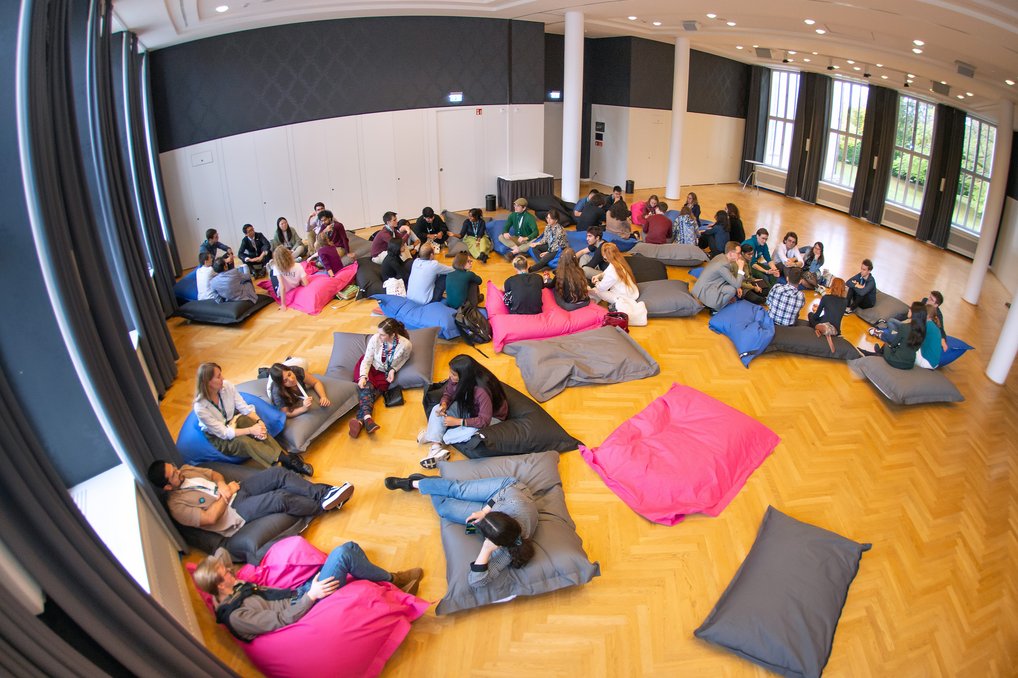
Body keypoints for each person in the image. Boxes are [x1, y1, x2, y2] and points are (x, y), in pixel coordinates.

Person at [193, 545, 422, 641]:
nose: (232, 571)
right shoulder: (237, 616)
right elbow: (282, 619)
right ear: (221, 585)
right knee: (344, 554)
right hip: (306, 606)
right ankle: (394, 579)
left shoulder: (224, 589)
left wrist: (211, 570)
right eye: (226, 573)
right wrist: (312, 595)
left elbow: (221, 551)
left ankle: (381, 578)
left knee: (349, 547)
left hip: (298, 592)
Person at [383, 474, 535, 588]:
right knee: (458, 489)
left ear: (494, 542)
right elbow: (504, 491)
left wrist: (486, 550)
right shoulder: (515, 501)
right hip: (504, 488)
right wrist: (484, 512)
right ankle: (412, 483)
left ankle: (433, 484)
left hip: (494, 520)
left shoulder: (506, 552)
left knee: (444, 509)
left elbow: (476, 581)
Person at [148, 461, 352, 537]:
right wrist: (225, 496)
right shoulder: (176, 505)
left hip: (235, 490)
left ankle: (326, 495)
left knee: (277, 473)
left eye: (174, 467)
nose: (178, 472)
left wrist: (222, 485)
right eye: (173, 474)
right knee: (278, 499)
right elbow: (209, 519)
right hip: (232, 513)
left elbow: (214, 474)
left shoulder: (185, 470)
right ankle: (323, 506)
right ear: (167, 486)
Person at [192, 362, 312, 474]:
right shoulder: (201, 407)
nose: (222, 378)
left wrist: (259, 423)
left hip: (233, 420)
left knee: (251, 423)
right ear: (208, 382)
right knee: (245, 442)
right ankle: (287, 461)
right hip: (220, 437)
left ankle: (283, 461)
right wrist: (251, 430)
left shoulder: (227, 386)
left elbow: (244, 408)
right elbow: (224, 433)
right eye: (218, 377)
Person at [415, 354, 509, 468]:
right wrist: (444, 404)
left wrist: (458, 422)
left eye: (453, 374)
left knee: (449, 436)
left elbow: (484, 420)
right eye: (451, 372)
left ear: (465, 376)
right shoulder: (458, 379)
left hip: (491, 418)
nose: (450, 376)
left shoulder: (481, 391)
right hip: (469, 407)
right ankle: (436, 447)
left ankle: (435, 435)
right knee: (436, 409)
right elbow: (448, 393)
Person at [351, 318, 412, 437]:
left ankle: (360, 421)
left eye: (382, 335)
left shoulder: (406, 345)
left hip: (383, 373)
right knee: (367, 388)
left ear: (392, 334)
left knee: (371, 395)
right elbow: (367, 359)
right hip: (369, 368)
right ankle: (368, 418)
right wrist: (363, 376)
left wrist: (393, 370)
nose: (379, 336)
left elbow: (404, 359)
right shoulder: (375, 339)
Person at [862, 301, 926, 369]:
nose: (908, 310)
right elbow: (916, 348)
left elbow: (893, 344)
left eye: (910, 309)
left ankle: (875, 354)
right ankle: (875, 353)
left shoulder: (905, 327)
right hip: (910, 363)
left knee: (886, 345)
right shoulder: (923, 330)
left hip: (896, 361)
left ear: (914, 314)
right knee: (890, 344)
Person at [692, 242, 745, 312]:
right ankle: (716, 309)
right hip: (704, 292)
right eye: (738, 253)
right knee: (732, 290)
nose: (740, 256)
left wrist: (737, 286)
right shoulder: (722, 265)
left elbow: (730, 277)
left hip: (703, 287)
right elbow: (737, 284)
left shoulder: (721, 257)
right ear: (731, 253)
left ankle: (721, 302)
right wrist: (740, 268)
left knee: (732, 288)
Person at [268, 362, 332, 418]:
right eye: (285, 380)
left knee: (303, 361)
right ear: (281, 384)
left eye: (289, 374)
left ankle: (288, 360)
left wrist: (323, 397)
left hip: (290, 369)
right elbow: (286, 413)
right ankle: (265, 372)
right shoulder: (277, 392)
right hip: (273, 388)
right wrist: (304, 408)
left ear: (291, 370)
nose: (291, 380)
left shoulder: (296, 371)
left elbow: (316, 382)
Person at [590, 243, 638, 307]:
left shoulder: (612, 272)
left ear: (604, 255)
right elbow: (606, 272)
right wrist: (598, 276)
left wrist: (596, 282)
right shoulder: (618, 262)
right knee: (595, 290)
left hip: (626, 298)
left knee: (596, 290)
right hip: (632, 292)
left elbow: (601, 288)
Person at [271, 246, 308, 311]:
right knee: (274, 271)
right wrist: (300, 282)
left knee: (272, 272)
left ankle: (270, 267)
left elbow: (282, 287)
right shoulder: (298, 266)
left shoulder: (276, 267)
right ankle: (270, 267)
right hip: (294, 285)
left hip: (285, 289)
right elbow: (306, 283)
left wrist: (283, 304)